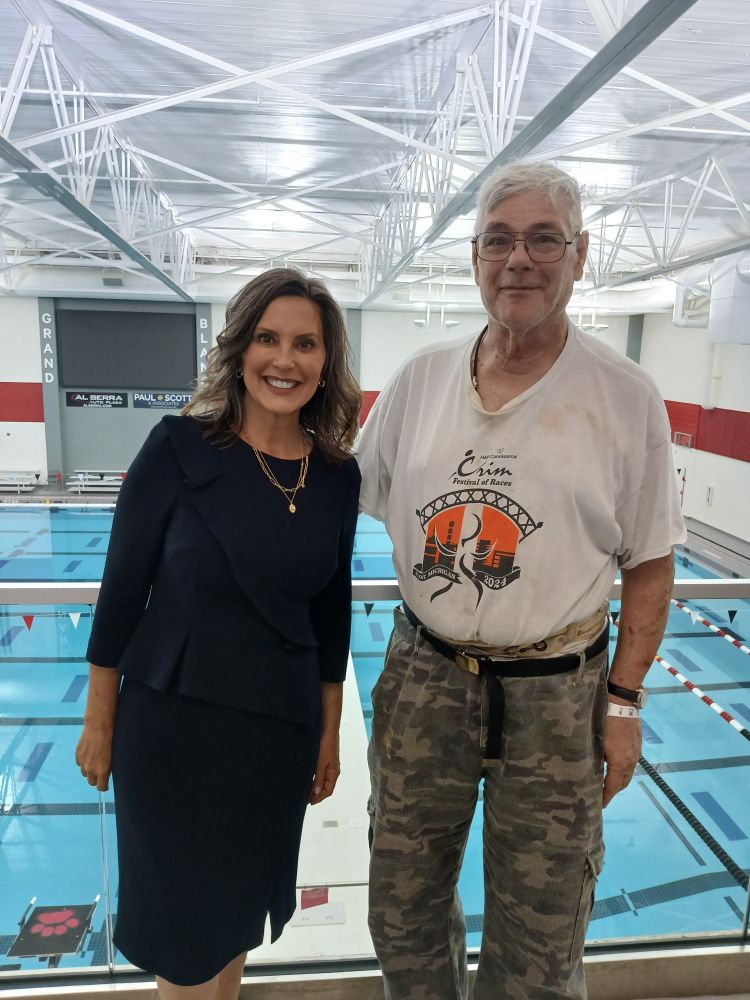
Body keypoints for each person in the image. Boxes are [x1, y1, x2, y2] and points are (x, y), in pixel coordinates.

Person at [357, 161, 685, 999]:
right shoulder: (419, 381)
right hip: (425, 673)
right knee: (401, 914)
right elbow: (337, 500)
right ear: (473, 256)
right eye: (499, 240)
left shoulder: (625, 396)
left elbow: (650, 562)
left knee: (539, 943)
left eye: (544, 239)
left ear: (579, 256)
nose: (520, 260)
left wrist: (623, 704)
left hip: (558, 695)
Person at [75, 267, 361, 998]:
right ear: (239, 349)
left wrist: (329, 736)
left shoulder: (335, 476)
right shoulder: (176, 449)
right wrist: (99, 723)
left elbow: (330, 619)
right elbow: (119, 595)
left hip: (276, 735)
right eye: (267, 338)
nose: (285, 360)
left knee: (232, 922)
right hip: (175, 730)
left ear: (326, 362)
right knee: (187, 932)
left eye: (305, 343)